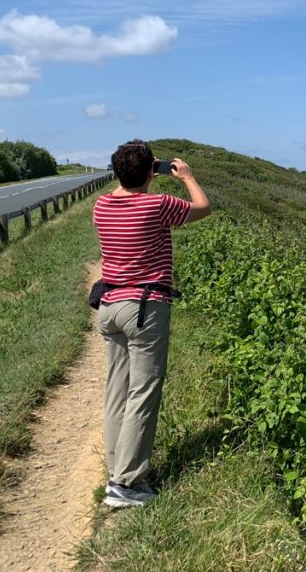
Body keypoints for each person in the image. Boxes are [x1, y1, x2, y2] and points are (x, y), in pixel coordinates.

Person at [92, 140, 211, 508]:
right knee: (143, 392)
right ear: (149, 173)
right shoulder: (156, 204)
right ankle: (127, 485)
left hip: (110, 306)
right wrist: (186, 177)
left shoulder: (101, 205)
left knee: (118, 391)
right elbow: (204, 208)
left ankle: (118, 471)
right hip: (144, 307)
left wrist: (138, 174)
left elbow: (124, 189)